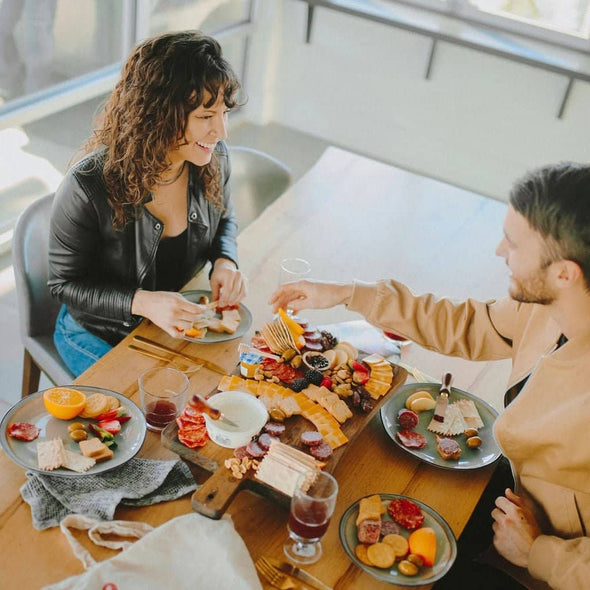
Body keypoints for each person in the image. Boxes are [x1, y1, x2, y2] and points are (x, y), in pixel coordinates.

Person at [269, 162, 590, 590]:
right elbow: (470, 324)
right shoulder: (552, 308)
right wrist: (348, 293)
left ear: (564, 272)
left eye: (512, 243)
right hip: (519, 502)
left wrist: (539, 553)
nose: (498, 251)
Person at [49, 30, 247, 376]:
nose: (222, 132)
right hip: (98, 331)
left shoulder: (211, 159)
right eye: (205, 117)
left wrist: (225, 260)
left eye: (224, 113)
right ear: (160, 114)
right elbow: (65, 285)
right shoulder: (88, 184)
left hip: (168, 319)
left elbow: (224, 216)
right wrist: (142, 302)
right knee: (158, 410)